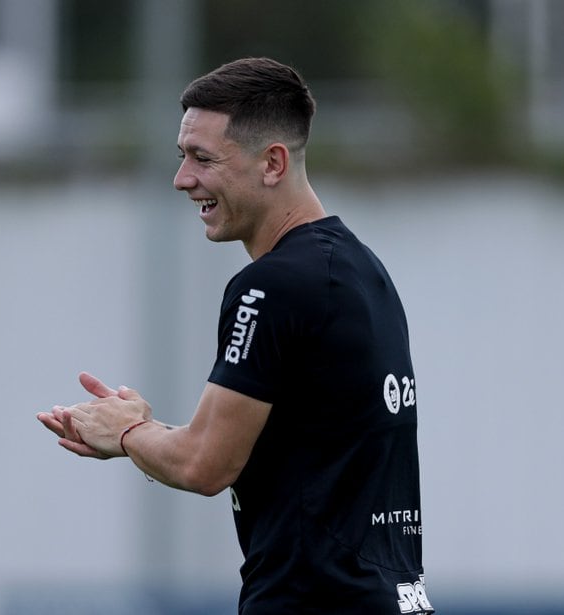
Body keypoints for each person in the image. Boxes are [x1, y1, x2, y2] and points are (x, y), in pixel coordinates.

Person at [37, 57, 434, 615]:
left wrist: (129, 434)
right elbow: (287, 446)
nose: (182, 179)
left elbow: (206, 464)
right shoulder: (362, 270)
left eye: (202, 158)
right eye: (182, 157)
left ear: (272, 163)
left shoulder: (270, 285)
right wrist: (154, 432)